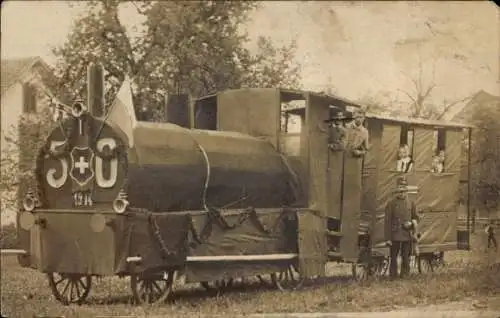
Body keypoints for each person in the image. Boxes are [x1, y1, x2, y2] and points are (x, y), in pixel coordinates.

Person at [384, 176, 420, 279]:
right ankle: (393, 275)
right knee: (393, 257)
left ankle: (405, 274)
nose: (402, 191)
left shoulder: (411, 203)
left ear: (406, 189)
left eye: (404, 188)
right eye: (400, 188)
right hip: (395, 235)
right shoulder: (391, 203)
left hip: (406, 234)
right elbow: (387, 222)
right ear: (397, 189)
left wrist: (411, 223)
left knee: (405, 256)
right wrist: (387, 238)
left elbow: (416, 218)